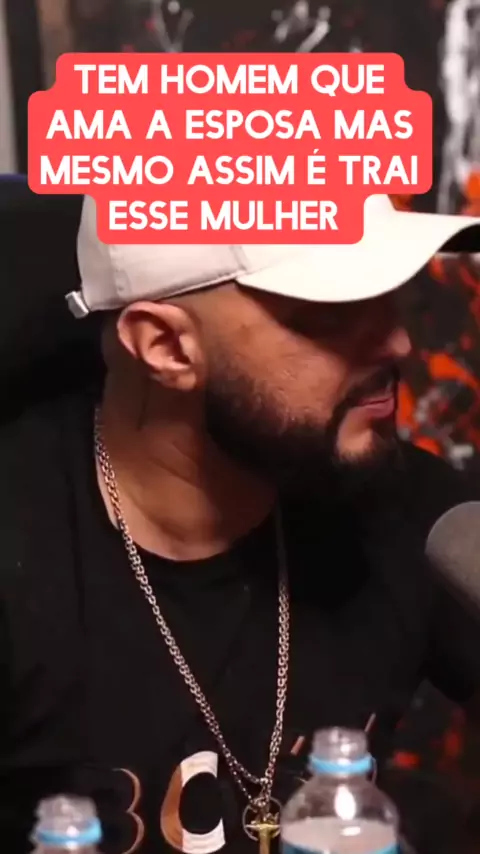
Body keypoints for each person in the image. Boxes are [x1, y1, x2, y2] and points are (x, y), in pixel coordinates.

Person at [1, 193, 480, 854]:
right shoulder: (24, 547)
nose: (397, 340)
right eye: (330, 311)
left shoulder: (412, 512)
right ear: (166, 346)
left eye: (386, 293)